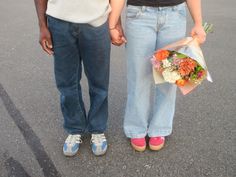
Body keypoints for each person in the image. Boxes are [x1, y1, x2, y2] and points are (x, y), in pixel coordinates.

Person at [109, 0, 206, 151]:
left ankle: (160, 127)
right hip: (139, 14)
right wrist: (112, 23)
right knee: (139, 75)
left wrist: (198, 23)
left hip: (174, 14)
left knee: (168, 76)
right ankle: (136, 127)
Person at [34, 0, 114, 156]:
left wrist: (114, 23)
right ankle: (74, 127)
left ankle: (97, 128)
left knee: (99, 82)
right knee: (66, 82)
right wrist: (42, 25)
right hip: (59, 23)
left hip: (97, 22)